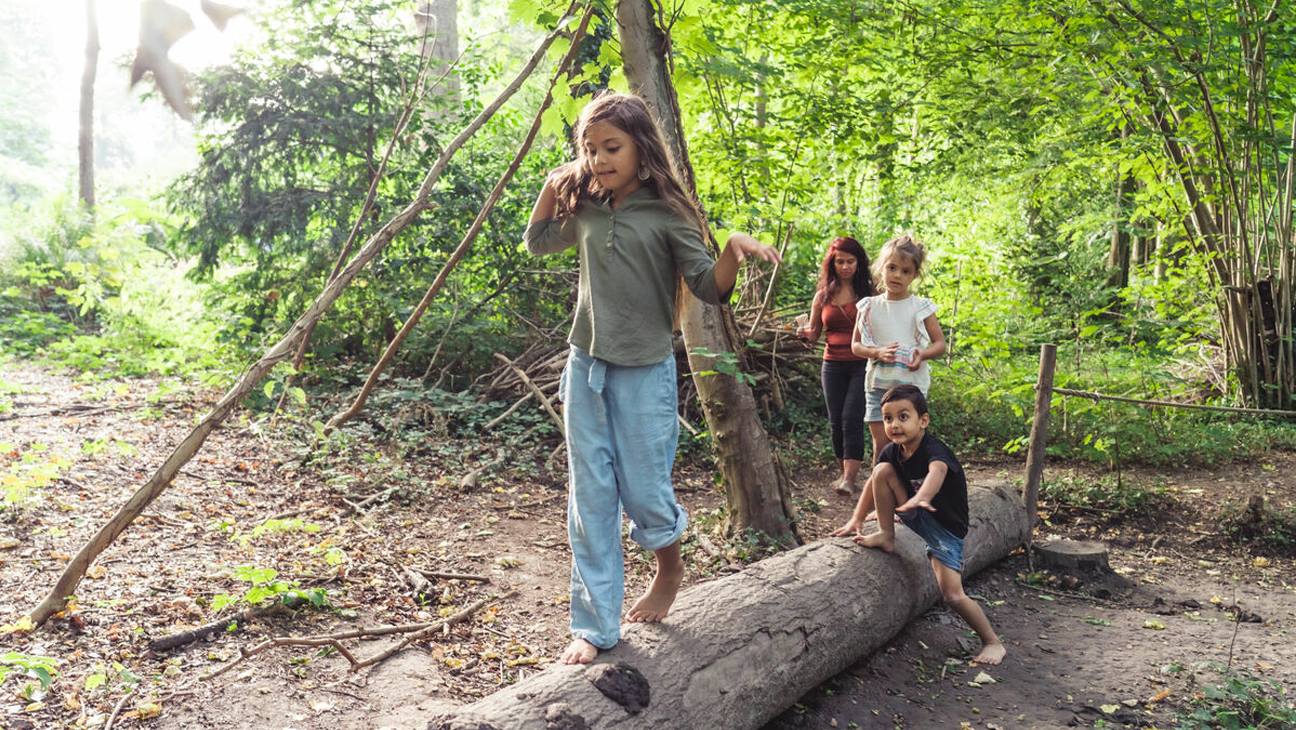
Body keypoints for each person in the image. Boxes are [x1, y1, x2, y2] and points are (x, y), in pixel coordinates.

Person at [524, 91, 782, 665]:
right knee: (590, 496)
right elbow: (538, 241)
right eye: (588, 150)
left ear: (643, 146)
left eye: (610, 147)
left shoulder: (668, 212)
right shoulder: (588, 205)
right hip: (585, 365)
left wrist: (733, 250)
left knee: (643, 491)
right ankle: (593, 628)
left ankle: (669, 566)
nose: (598, 160)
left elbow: (710, 289)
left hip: (644, 375)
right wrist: (556, 179)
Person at [831, 384, 1006, 665]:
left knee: (952, 595)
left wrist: (921, 497)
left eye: (903, 417)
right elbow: (875, 480)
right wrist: (857, 518)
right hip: (915, 511)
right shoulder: (893, 451)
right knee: (882, 470)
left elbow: (936, 473)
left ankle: (993, 642)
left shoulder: (935, 449)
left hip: (944, 531)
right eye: (888, 418)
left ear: (923, 420)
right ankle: (887, 534)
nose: (894, 425)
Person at [849, 234, 946, 517]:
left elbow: (939, 344)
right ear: (881, 267)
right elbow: (856, 346)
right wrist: (876, 352)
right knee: (882, 447)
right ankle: (885, 505)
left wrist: (922, 354)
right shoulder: (868, 306)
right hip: (878, 387)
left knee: (909, 446)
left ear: (914, 276)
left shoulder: (920, 306)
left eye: (906, 271)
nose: (897, 275)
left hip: (909, 387)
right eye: (892, 267)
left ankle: (911, 502)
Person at [798, 237, 876, 495]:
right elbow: (814, 335)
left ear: (858, 262)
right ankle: (843, 471)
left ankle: (850, 479)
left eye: (850, 261)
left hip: (861, 363)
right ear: (832, 263)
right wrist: (803, 333)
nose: (845, 266)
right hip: (831, 365)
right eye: (840, 261)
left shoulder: (869, 292)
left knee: (851, 418)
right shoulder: (823, 296)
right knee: (835, 421)